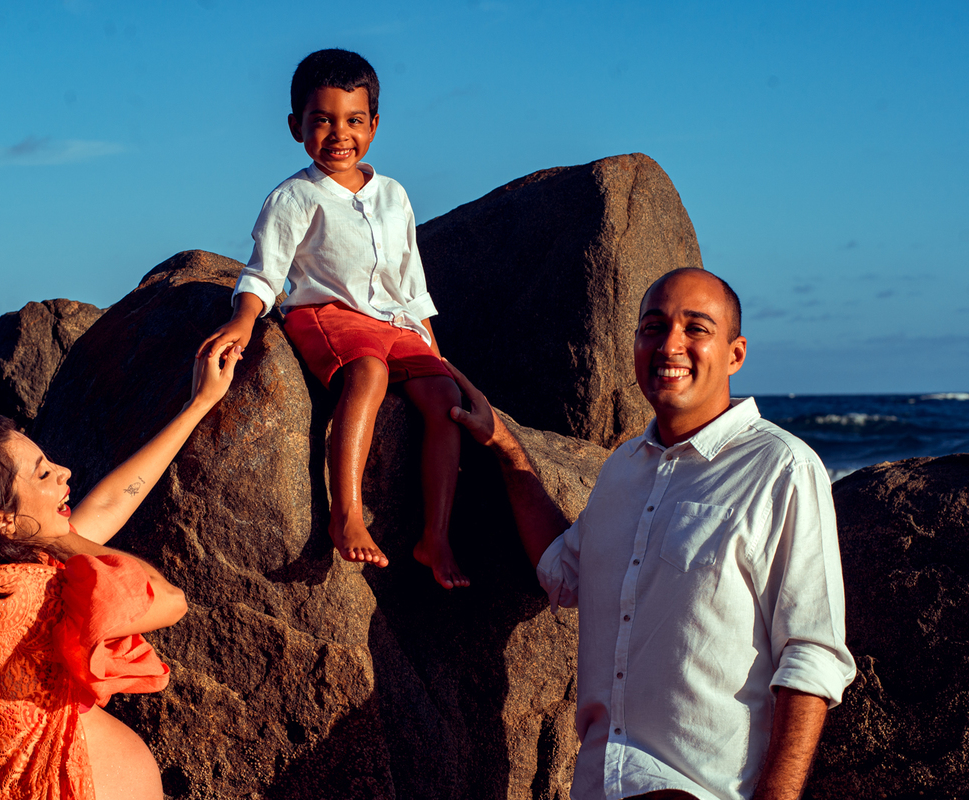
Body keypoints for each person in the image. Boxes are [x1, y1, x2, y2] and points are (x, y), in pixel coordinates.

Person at [446, 268, 857, 800]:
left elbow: (811, 652)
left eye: (696, 328)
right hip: (597, 785)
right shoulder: (623, 468)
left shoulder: (781, 469)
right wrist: (506, 446)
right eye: (653, 326)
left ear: (735, 354)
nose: (670, 345)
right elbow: (564, 570)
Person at [0, 346, 241, 800]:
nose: (65, 472)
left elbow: (109, 503)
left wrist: (197, 404)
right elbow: (167, 600)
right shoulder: (22, 594)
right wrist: (61, 539)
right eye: (44, 474)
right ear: (3, 519)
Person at [199, 48, 468, 589]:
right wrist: (244, 320)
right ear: (296, 125)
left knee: (446, 401)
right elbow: (264, 271)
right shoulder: (294, 197)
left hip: (395, 324)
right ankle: (346, 513)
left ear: (373, 124)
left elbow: (410, 284)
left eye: (353, 120)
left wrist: (433, 352)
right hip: (327, 314)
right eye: (321, 121)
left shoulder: (393, 195)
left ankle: (434, 535)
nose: (338, 134)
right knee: (366, 372)